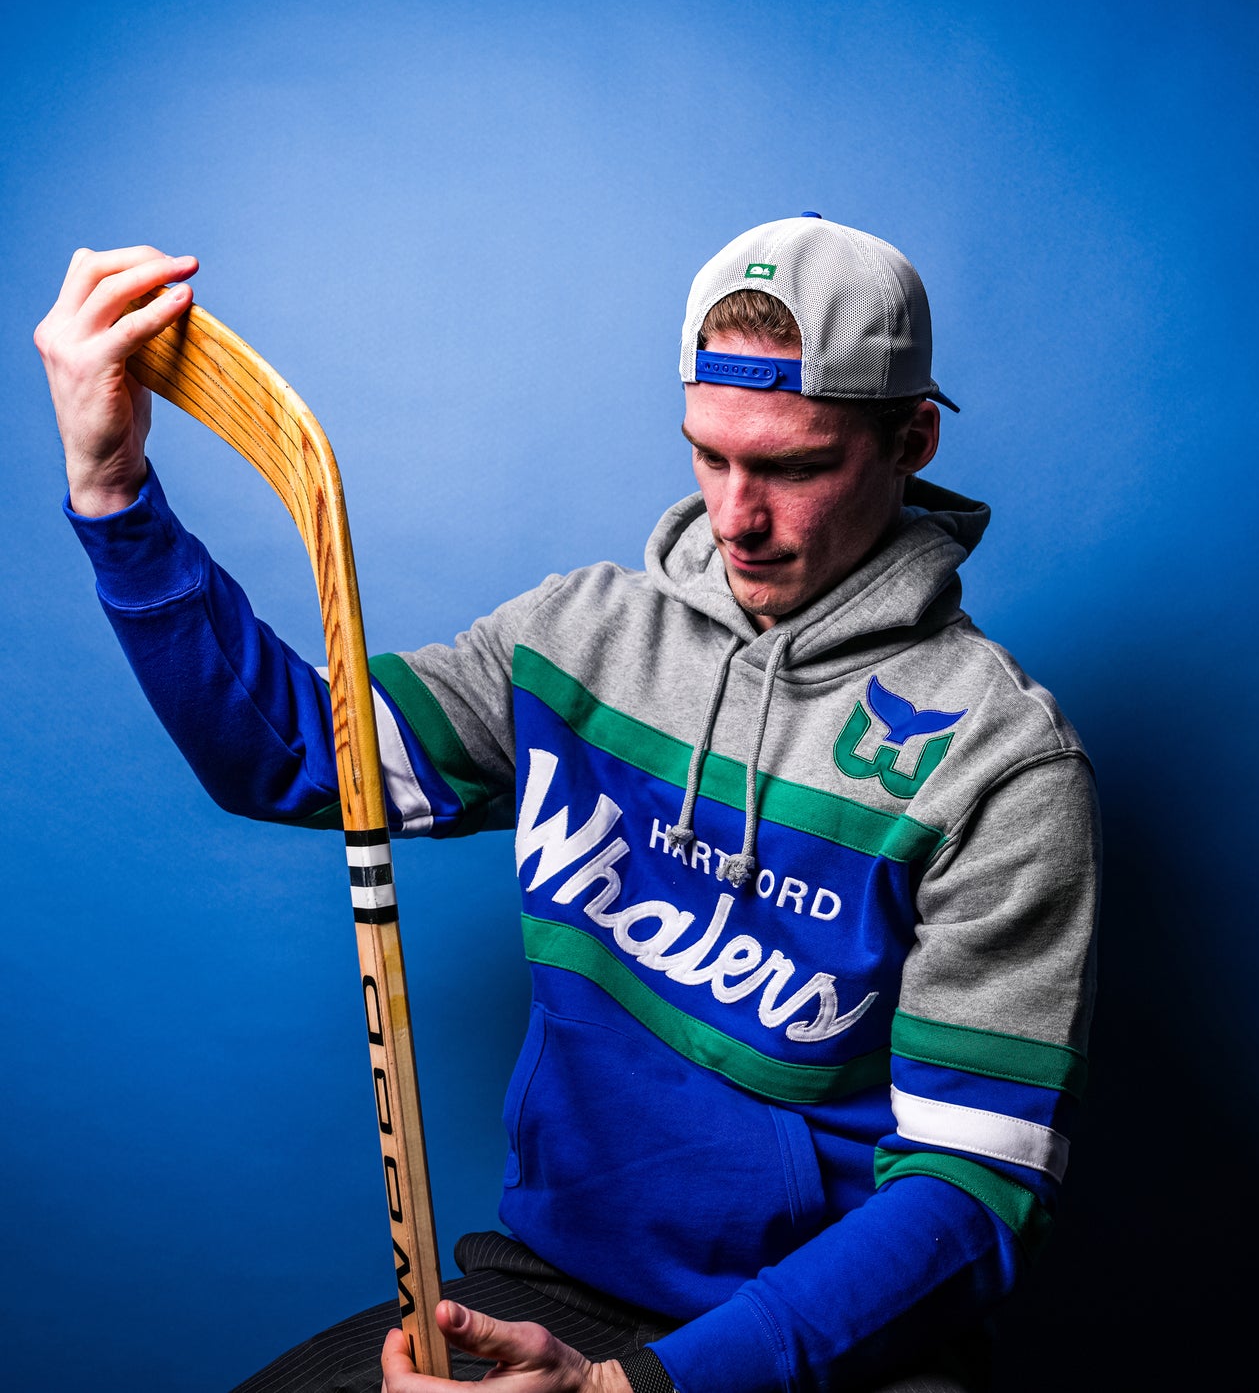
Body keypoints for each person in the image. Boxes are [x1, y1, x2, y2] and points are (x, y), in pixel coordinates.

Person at [35, 216, 1100, 1393]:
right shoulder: (580, 638)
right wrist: (114, 491)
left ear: (910, 440)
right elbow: (291, 753)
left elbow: (970, 1191)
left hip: (839, 1339)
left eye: (793, 467)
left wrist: (627, 1389)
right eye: (707, 455)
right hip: (558, 1283)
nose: (735, 516)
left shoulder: (1001, 764)